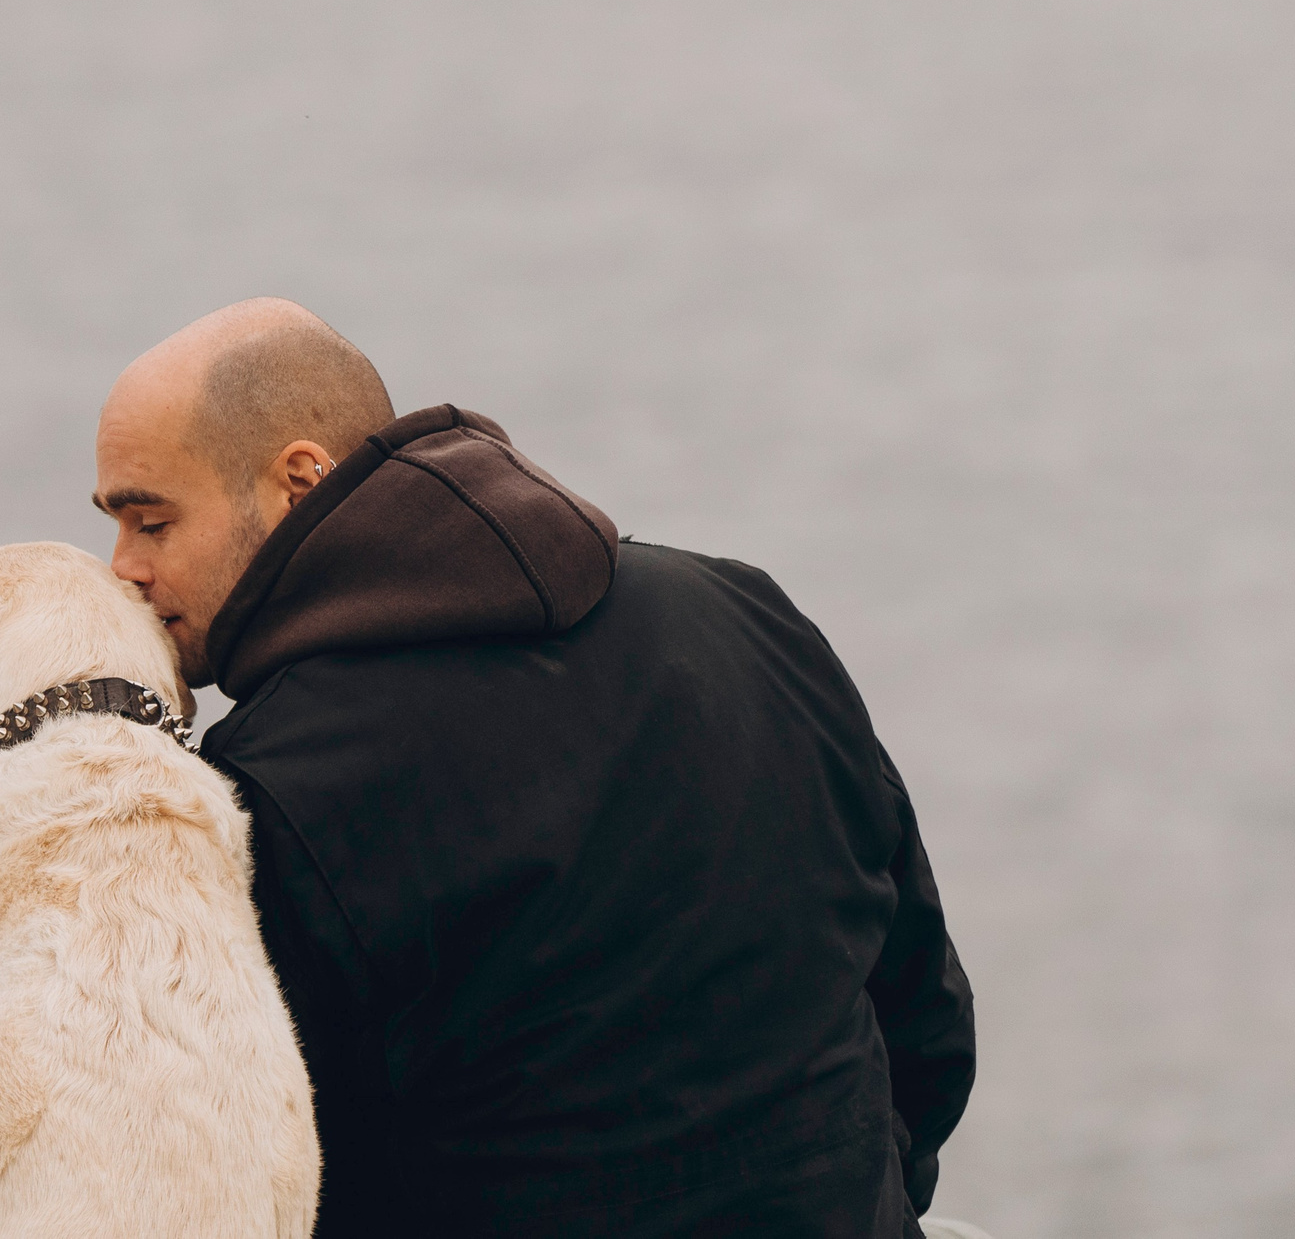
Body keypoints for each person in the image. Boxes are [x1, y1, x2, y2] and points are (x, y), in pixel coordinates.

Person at [93, 300, 976, 1238]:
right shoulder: (739, 612)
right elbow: (925, 1019)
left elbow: (254, 1175)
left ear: (299, 481)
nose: (122, 569)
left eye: (151, 522)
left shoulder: (267, 792)